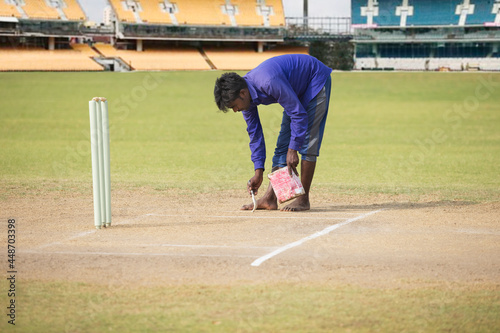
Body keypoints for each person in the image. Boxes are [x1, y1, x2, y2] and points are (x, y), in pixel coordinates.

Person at [213, 54, 332, 211]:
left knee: (307, 142)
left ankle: (303, 199)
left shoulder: (268, 82)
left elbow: (298, 114)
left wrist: (293, 149)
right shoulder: (245, 100)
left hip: (315, 80)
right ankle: (270, 199)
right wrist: (258, 171)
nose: (235, 110)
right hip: (295, 90)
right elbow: (255, 135)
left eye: (234, 106)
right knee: (283, 146)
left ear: (242, 93)